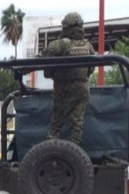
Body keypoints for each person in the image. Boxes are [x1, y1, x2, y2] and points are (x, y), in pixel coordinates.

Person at [42, 12, 93, 144]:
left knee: (55, 124)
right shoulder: (88, 46)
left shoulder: (60, 45)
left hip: (63, 89)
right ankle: (75, 152)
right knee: (77, 124)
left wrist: (52, 74)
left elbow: (46, 66)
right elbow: (90, 70)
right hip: (82, 89)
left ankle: (52, 152)